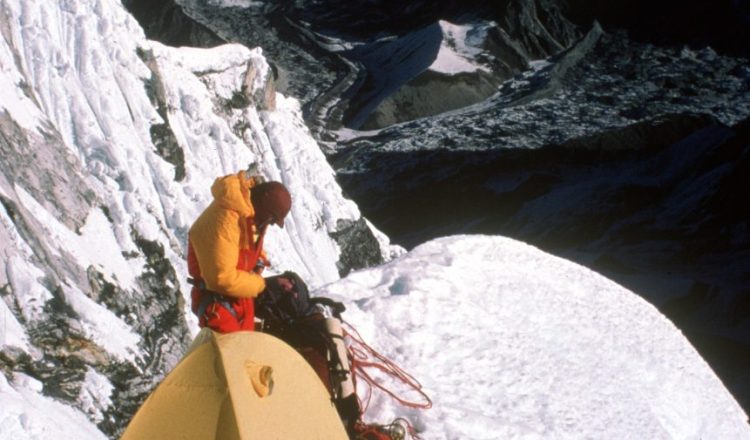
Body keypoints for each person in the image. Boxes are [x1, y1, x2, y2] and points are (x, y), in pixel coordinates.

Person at [187, 169, 292, 333]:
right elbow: (222, 279)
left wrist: (259, 260)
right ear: (264, 206)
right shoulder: (227, 220)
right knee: (232, 355)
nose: (270, 224)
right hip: (217, 304)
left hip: (239, 298)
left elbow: (245, 243)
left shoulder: (248, 212)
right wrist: (260, 285)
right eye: (272, 218)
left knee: (245, 351)